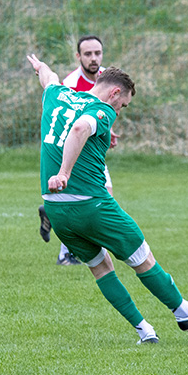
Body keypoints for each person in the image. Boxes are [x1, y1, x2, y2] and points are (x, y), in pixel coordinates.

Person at [27, 53, 188, 344]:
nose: (120, 111)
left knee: (100, 268)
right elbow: (81, 128)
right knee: (142, 258)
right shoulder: (102, 109)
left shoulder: (57, 95)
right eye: (123, 104)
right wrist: (64, 172)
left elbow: (49, 79)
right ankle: (185, 313)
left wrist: (40, 67)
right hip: (91, 205)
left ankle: (144, 330)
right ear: (114, 92)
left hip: (57, 211)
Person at [38, 35, 118, 266]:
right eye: (88, 54)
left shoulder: (106, 78)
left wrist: (106, 131)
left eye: (98, 53)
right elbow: (68, 119)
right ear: (78, 56)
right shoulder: (71, 82)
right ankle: (67, 253)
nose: (94, 59)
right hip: (73, 151)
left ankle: (53, 218)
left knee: (101, 195)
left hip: (91, 147)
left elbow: (100, 112)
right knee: (90, 198)